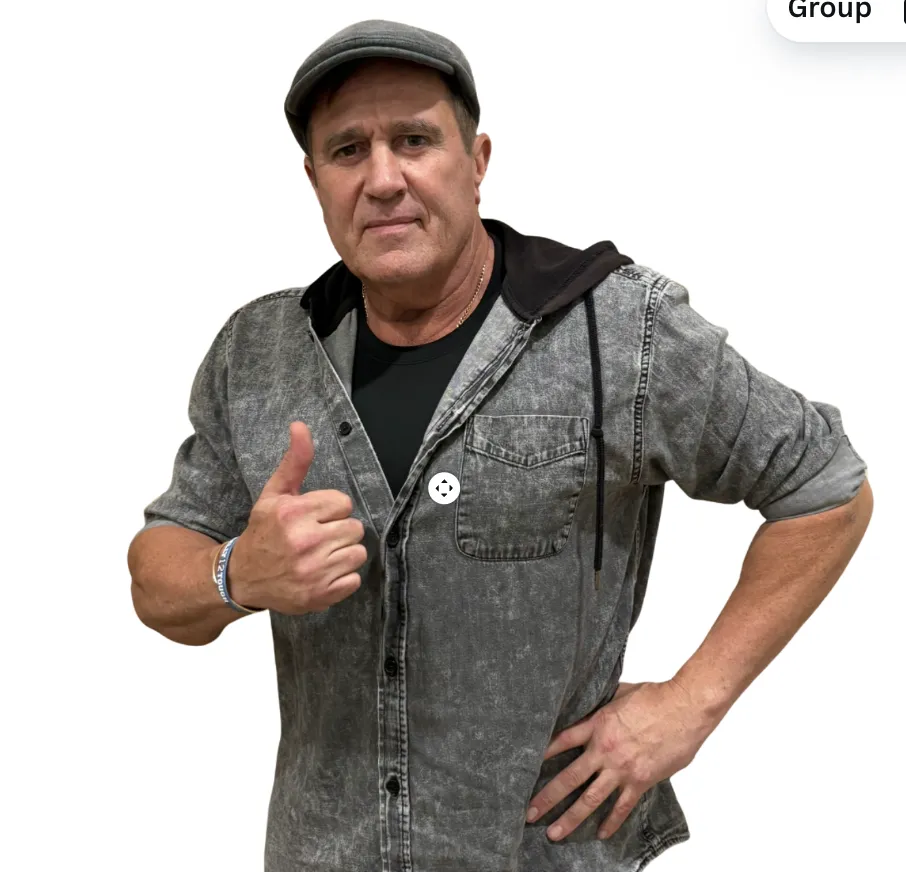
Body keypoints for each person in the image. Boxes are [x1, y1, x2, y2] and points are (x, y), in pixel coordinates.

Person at [127, 18, 873, 872]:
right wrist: (235, 574)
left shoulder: (617, 329)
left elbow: (826, 486)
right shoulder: (258, 353)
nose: (383, 179)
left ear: (476, 160)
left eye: (415, 140)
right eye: (347, 150)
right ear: (314, 179)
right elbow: (157, 571)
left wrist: (690, 704)